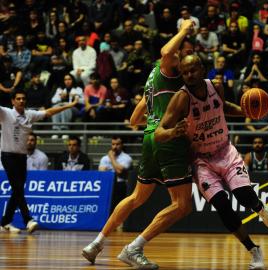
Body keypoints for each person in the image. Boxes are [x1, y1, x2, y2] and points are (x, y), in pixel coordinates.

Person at [82, 20, 195, 268]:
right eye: (182, 53)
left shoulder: (152, 78)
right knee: (182, 204)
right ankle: (134, 248)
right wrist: (185, 29)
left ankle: (96, 244)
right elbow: (167, 52)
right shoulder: (168, 68)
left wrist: (154, 121)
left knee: (136, 197)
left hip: (149, 138)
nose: (185, 57)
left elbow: (134, 120)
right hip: (169, 139)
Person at [154, 55, 268, 270]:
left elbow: (224, 106)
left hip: (225, 151)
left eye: (192, 70)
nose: (189, 75)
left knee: (243, 196)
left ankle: (259, 207)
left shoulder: (217, 87)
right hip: (201, 160)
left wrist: (246, 111)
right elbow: (158, 133)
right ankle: (254, 250)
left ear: (202, 69)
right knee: (222, 206)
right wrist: (173, 131)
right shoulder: (181, 98)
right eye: (184, 72)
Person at [0, 89, 78, 233]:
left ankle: (5, 221)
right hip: (8, 156)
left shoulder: (30, 115)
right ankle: (28, 220)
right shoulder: (5, 113)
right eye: (18, 98)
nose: (21, 101)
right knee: (17, 188)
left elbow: (49, 112)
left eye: (23, 98)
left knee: (18, 190)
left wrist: (69, 105)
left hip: (21, 157)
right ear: (12, 101)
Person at [99, 136, 133, 211]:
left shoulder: (127, 158)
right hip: (107, 185)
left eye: (117, 144)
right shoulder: (104, 158)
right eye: (113, 144)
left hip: (120, 185)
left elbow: (119, 171)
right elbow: (101, 172)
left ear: (122, 145)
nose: (114, 147)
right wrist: (116, 166)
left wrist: (112, 158)